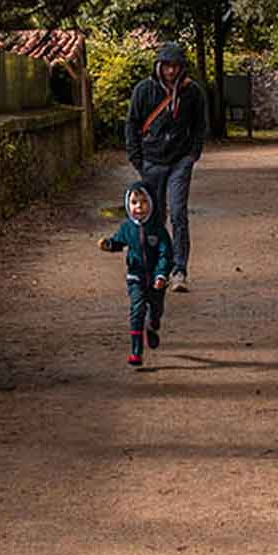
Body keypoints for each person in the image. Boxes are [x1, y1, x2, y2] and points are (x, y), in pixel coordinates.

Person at [124, 41, 208, 291]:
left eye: (176, 66)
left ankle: (179, 270)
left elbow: (200, 125)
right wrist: (136, 158)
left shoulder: (192, 93)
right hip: (151, 161)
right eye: (167, 66)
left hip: (180, 161)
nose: (171, 71)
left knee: (179, 213)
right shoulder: (144, 90)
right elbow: (132, 124)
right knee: (154, 216)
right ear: (159, 66)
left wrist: (193, 155)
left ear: (182, 67)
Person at [99, 180, 175, 367]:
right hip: (136, 276)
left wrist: (161, 275)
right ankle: (136, 352)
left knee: (156, 309)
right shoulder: (127, 228)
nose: (138, 207)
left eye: (143, 202)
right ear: (128, 205)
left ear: (151, 203)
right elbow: (119, 241)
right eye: (134, 202)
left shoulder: (158, 229)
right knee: (137, 309)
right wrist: (109, 245)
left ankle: (153, 325)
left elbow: (166, 254)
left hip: (157, 279)